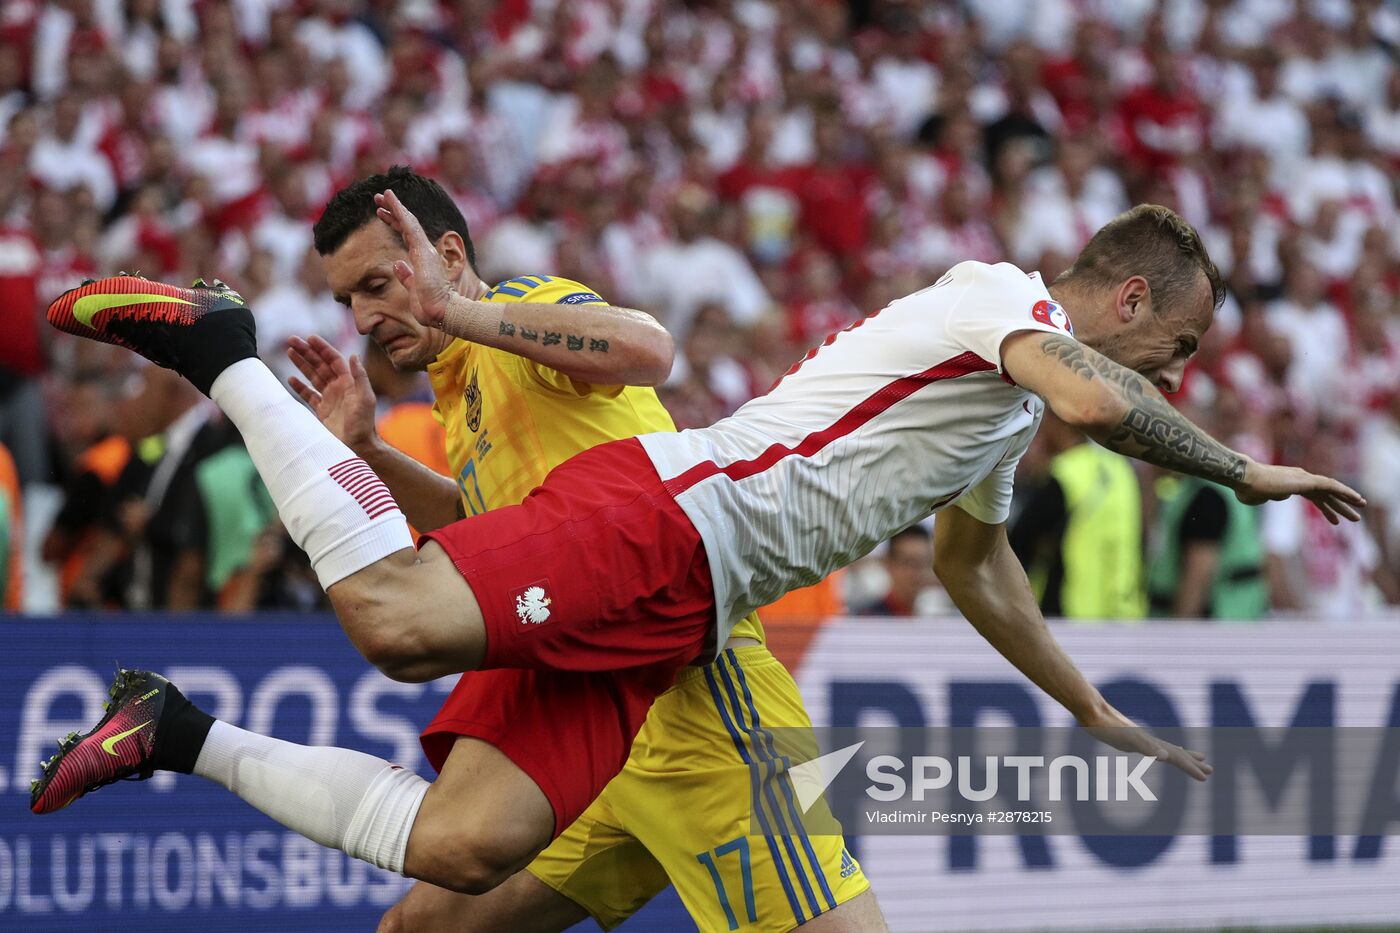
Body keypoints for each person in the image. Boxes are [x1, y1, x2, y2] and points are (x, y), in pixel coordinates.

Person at [36, 203, 1364, 908]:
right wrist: (1242, 470)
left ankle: (176, 731)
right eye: (1178, 348)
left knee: (462, 849)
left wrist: (1084, 705)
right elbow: (1094, 400)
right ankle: (220, 345)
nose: (1178, 373)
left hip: (675, 607)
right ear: (1125, 300)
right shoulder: (1000, 300)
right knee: (390, 623)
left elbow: (978, 571)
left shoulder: (1002, 406)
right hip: (671, 524)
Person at [1011, 410, 1146, 620]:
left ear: (1060, 422)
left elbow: (1017, 544)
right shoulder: (1120, 470)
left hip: (1068, 610)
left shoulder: (1064, 474)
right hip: (1122, 613)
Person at [860, 524, 936, 617]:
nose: (917, 572)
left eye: (922, 562)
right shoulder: (869, 620)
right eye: (908, 562)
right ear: (889, 563)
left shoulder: (935, 617)